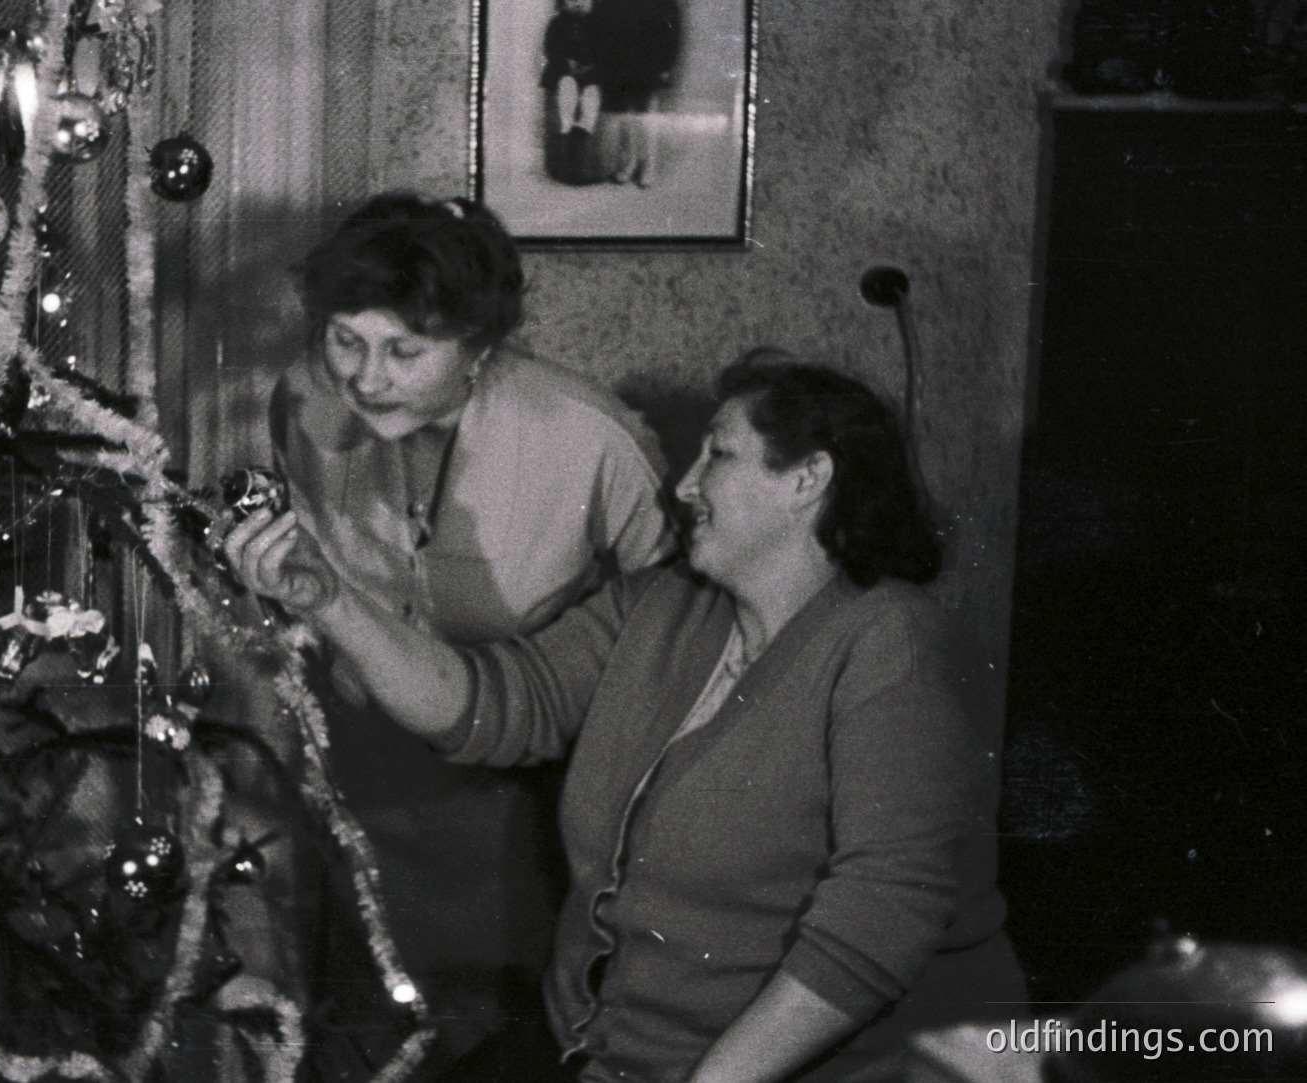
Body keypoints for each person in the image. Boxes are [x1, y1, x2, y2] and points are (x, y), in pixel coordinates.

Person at [233, 352, 1026, 1082]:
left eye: (717, 453)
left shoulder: (892, 641)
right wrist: (329, 597)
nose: (683, 485)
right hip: (600, 1050)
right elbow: (487, 703)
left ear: (807, 479)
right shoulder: (659, 606)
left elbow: (880, 917)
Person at [268, 192, 675, 1074]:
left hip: (522, 815)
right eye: (346, 339)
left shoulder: (591, 438)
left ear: (479, 346)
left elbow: (673, 643)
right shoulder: (302, 399)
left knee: (499, 1044)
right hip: (363, 784)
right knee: (365, 1032)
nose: (365, 378)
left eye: (404, 351)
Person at [590, 0, 682, 187]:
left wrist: (665, 65)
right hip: (619, 63)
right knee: (624, 116)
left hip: (649, 63)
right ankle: (628, 164)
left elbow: (672, 32)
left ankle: (648, 166)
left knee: (646, 115)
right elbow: (598, 25)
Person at [541, 0, 603, 184]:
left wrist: (589, 67)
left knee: (591, 103)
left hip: (588, 76)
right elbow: (551, 49)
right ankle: (563, 169)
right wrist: (567, 64)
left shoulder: (595, 24)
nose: (578, 4)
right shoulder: (557, 23)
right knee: (566, 105)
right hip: (563, 75)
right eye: (573, 0)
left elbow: (602, 51)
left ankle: (580, 168)